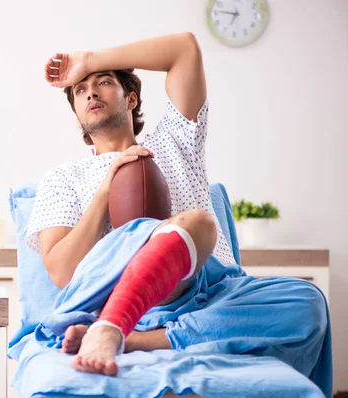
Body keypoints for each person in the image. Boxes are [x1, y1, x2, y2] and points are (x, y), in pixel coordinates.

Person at [25, 33, 327, 378]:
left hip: (210, 293)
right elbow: (62, 273)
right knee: (196, 224)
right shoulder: (64, 177)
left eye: (104, 82)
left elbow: (184, 49)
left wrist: (89, 61)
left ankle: (133, 339)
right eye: (80, 90)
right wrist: (105, 191)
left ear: (132, 99)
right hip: (123, 294)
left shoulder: (175, 143)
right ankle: (115, 322)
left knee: (308, 302)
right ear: (77, 114)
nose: (91, 91)